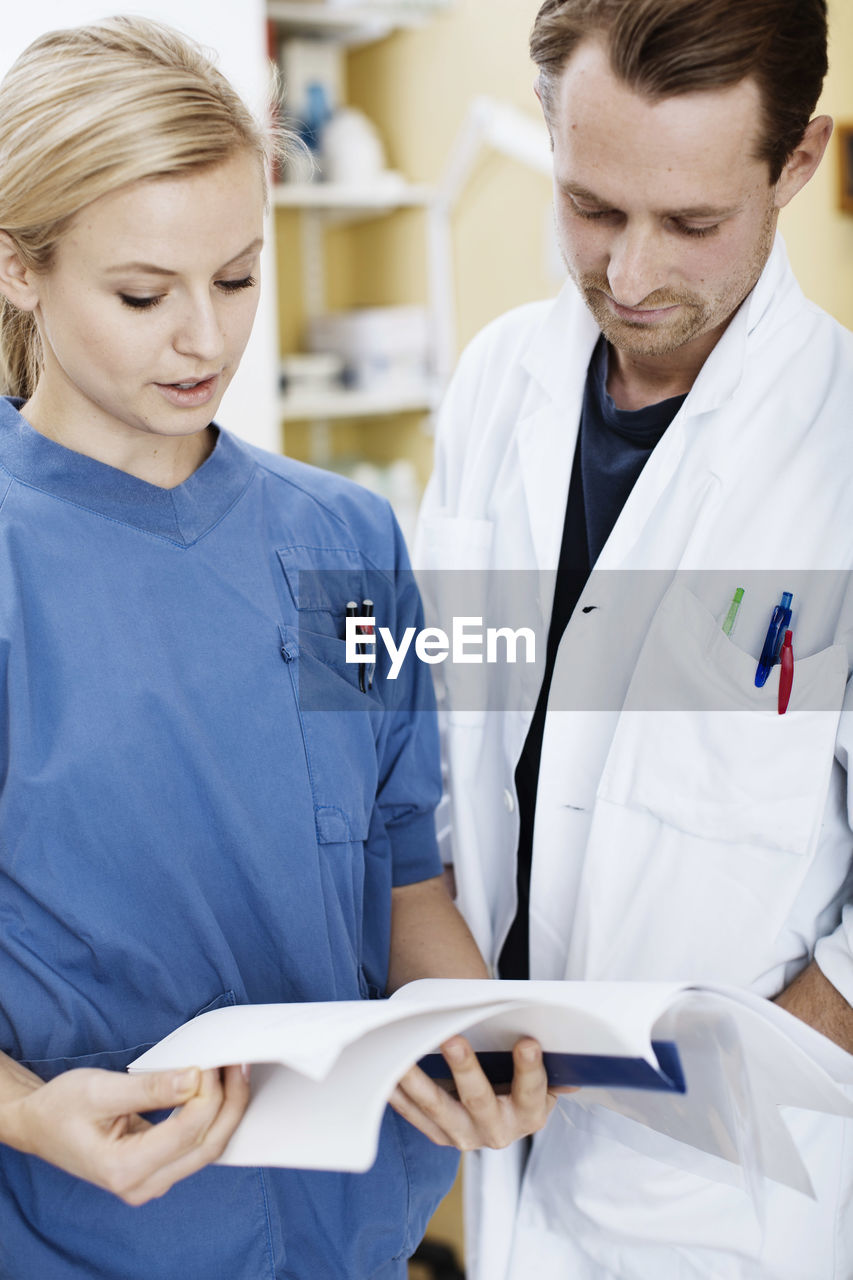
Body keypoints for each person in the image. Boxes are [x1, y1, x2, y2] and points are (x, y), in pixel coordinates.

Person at [0, 17, 556, 1279]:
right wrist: (25, 1111)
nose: (206, 338)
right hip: (88, 1236)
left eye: (240, 277)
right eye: (144, 294)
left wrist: (479, 1042)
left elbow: (404, 877)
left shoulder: (340, 539)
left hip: (357, 1228)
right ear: (18, 270)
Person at [415, 1, 853, 1276]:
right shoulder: (499, 383)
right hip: (501, 1150)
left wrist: (739, 1074)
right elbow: (444, 731)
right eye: (591, 208)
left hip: (724, 1205)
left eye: (693, 223)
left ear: (799, 162)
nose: (630, 274)